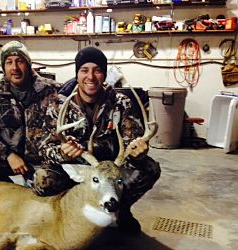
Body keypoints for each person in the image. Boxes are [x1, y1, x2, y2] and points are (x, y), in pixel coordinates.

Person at [35, 47, 161, 233]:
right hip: (77, 170)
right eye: (84, 70)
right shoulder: (58, 104)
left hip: (111, 171)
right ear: (77, 74)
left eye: (98, 70)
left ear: (104, 75)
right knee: (43, 179)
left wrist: (137, 150)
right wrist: (62, 152)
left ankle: (120, 210)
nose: (91, 76)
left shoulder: (120, 102)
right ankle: (70, 214)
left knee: (149, 168)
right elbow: (43, 147)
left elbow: (133, 139)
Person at [0, 41, 61, 184]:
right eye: (9, 62)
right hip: (8, 158)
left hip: (41, 160)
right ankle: (8, 190)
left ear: (28, 65)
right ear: (4, 67)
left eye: (20, 61)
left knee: (44, 186)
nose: (15, 68)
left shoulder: (51, 90)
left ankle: (32, 183)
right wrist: (8, 155)